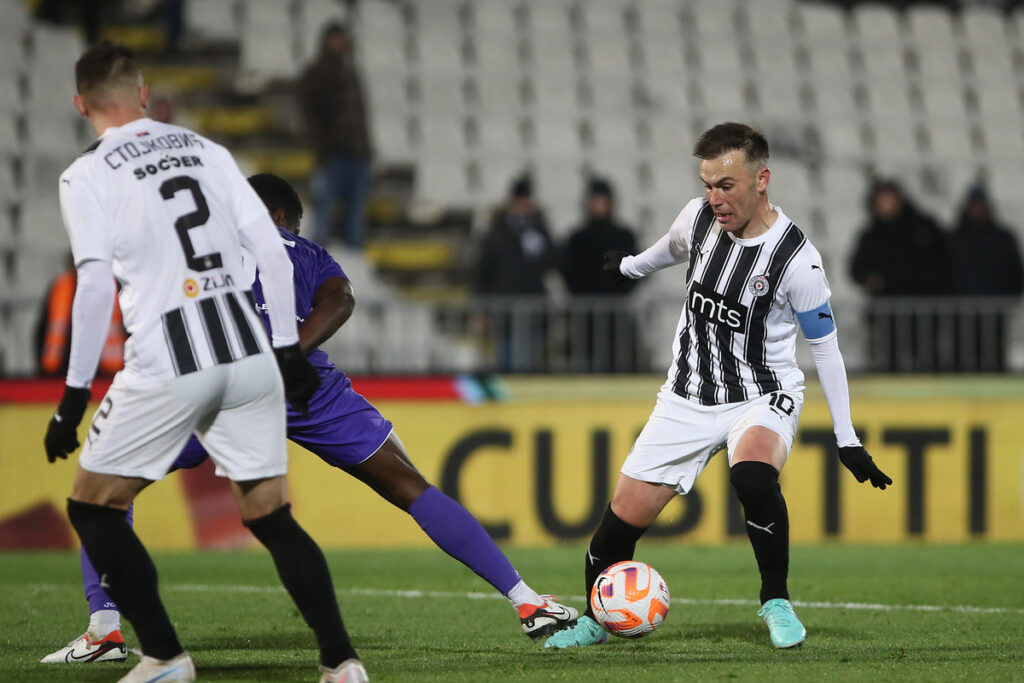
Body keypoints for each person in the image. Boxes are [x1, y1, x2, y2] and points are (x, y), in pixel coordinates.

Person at [42, 173, 578, 666]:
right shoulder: (312, 254)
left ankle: (105, 630)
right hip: (305, 384)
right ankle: (528, 602)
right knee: (410, 486)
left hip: (216, 384)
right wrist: (290, 355)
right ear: (284, 219)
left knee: (104, 495)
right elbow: (341, 299)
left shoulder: (205, 247)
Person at [43, 42, 365, 683]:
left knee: (93, 506)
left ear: (81, 105)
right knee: (271, 516)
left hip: (170, 353)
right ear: (142, 94)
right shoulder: (206, 150)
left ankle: (163, 656)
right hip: (247, 351)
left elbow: (96, 285)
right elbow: (273, 255)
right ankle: (341, 663)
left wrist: (73, 397)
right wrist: (283, 348)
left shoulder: (87, 174)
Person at [544, 123, 892, 650]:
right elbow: (671, 247)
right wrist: (631, 267)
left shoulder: (797, 259)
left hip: (762, 395)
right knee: (617, 525)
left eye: (726, 185)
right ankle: (599, 617)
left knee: (752, 477)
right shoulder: (699, 218)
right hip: (686, 395)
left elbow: (825, 348)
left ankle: (775, 600)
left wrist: (846, 435)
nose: (715, 198)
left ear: (761, 179)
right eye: (707, 184)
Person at [849, 180, 952, 372]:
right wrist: (870, 278)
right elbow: (856, 269)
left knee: (928, 362)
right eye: (881, 201)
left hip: (924, 309)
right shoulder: (871, 235)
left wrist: (927, 285)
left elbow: (944, 263)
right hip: (886, 313)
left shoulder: (924, 228)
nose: (885, 206)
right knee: (888, 363)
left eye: (889, 200)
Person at [297, 22, 372, 248]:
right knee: (322, 217)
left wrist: (366, 147)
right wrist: (322, 148)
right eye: (335, 38)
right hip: (331, 156)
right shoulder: (316, 73)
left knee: (355, 220)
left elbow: (360, 115)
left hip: (357, 154)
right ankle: (315, 268)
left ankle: (354, 271)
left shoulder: (351, 72)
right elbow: (309, 116)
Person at [475, 175, 557, 371]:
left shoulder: (538, 229)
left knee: (530, 358)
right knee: (506, 357)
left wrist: (542, 247)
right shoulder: (497, 232)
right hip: (505, 307)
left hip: (533, 306)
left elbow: (553, 263)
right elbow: (482, 271)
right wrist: (482, 308)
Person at [561, 177, 641, 372]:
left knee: (620, 367)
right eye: (595, 201)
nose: (599, 206)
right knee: (586, 368)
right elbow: (567, 272)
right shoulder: (577, 238)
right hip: (585, 318)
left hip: (617, 317)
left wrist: (619, 294)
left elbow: (638, 269)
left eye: (603, 201)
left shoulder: (624, 236)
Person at [949, 183, 1024, 372]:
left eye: (980, 205)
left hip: (994, 310)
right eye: (974, 205)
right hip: (961, 311)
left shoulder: (1002, 238)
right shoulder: (954, 238)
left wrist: (1009, 298)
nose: (977, 210)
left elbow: (1015, 271)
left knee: (993, 358)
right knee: (962, 359)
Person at [35, 253, 126, 378]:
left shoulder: (114, 288)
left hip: (106, 375)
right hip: (61, 372)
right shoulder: (60, 288)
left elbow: (128, 329)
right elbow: (43, 330)